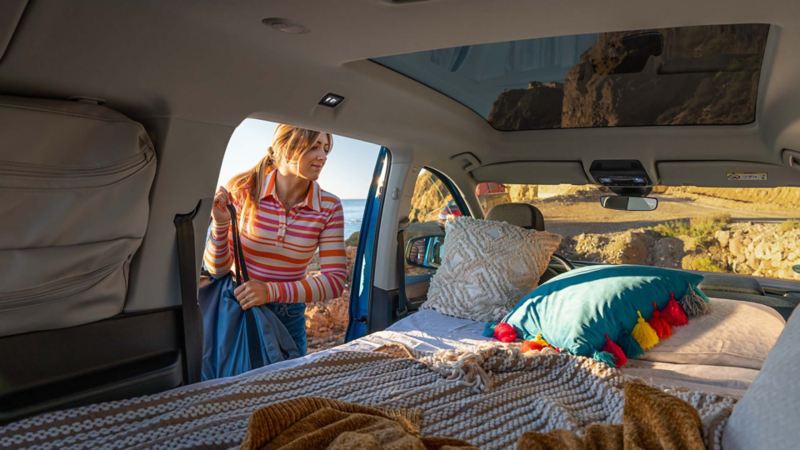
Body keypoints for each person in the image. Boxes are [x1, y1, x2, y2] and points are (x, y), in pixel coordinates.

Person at [203, 124, 347, 356]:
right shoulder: (243, 191)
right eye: (314, 147)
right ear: (286, 148)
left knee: (288, 388)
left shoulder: (330, 206)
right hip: (238, 309)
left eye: (326, 148)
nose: (322, 156)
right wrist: (220, 225)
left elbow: (335, 281)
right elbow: (217, 270)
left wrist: (269, 291)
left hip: (289, 317)